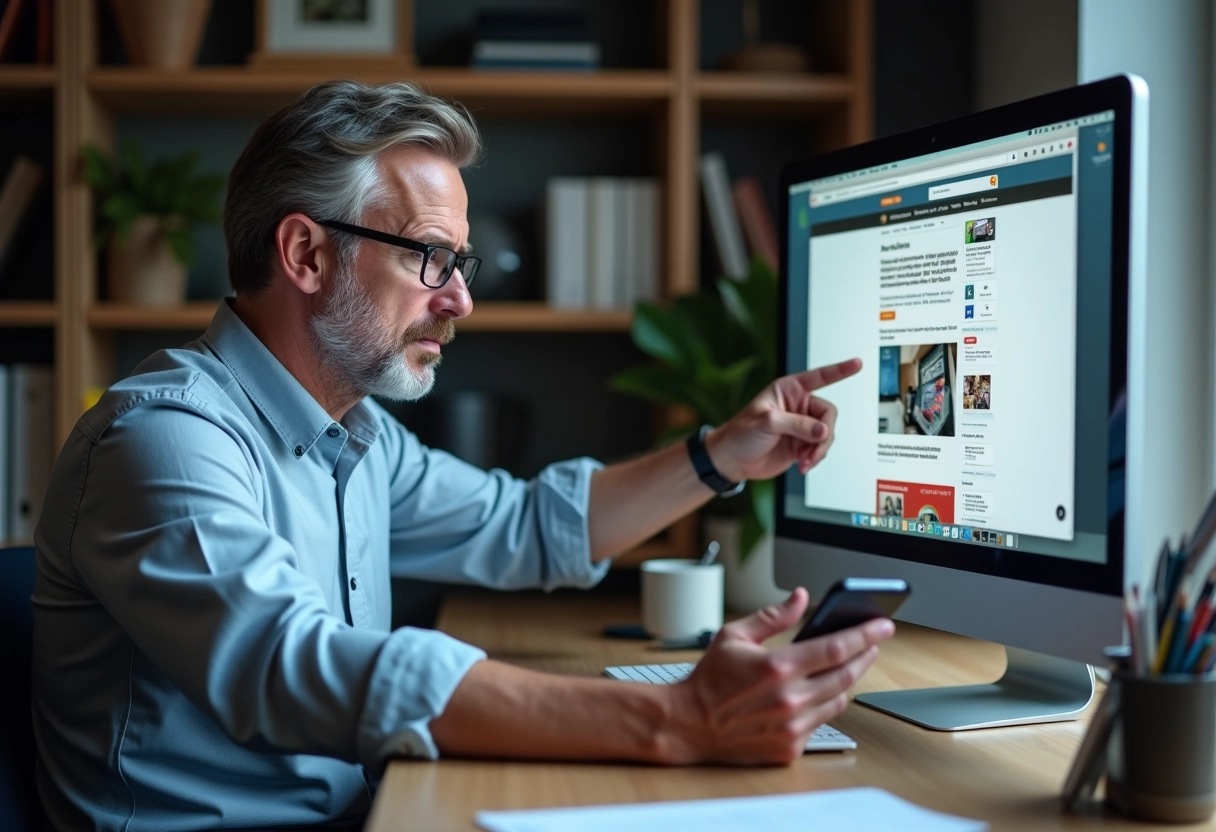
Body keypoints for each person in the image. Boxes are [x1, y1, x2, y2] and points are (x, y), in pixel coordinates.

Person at [32, 81, 892, 831]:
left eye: (461, 261)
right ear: (306, 253)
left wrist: (721, 456)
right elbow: (290, 664)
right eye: (432, 257)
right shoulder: (165, 437)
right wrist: (674, 719)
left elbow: (524, 526)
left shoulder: (359, 437)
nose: (463, 299)